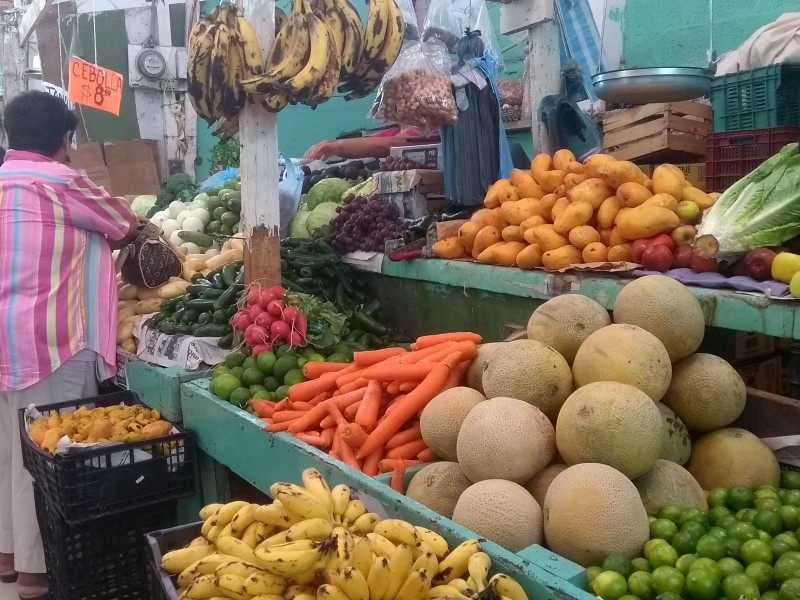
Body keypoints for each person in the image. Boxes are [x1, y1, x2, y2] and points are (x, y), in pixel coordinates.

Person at [0, 91, 140, 600]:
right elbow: (124, 225)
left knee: (7, 450)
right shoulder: (60, 179)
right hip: (50, 337)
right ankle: (37, 574)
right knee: (48, 454)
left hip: (5, 339)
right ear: (64, 139)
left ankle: (9, 555)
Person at [304, 125, 422, 160]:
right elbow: (366, 144)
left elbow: (390, 146)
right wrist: (328, 143)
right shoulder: (393, 131)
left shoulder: (425, 129)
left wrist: (336, 147)